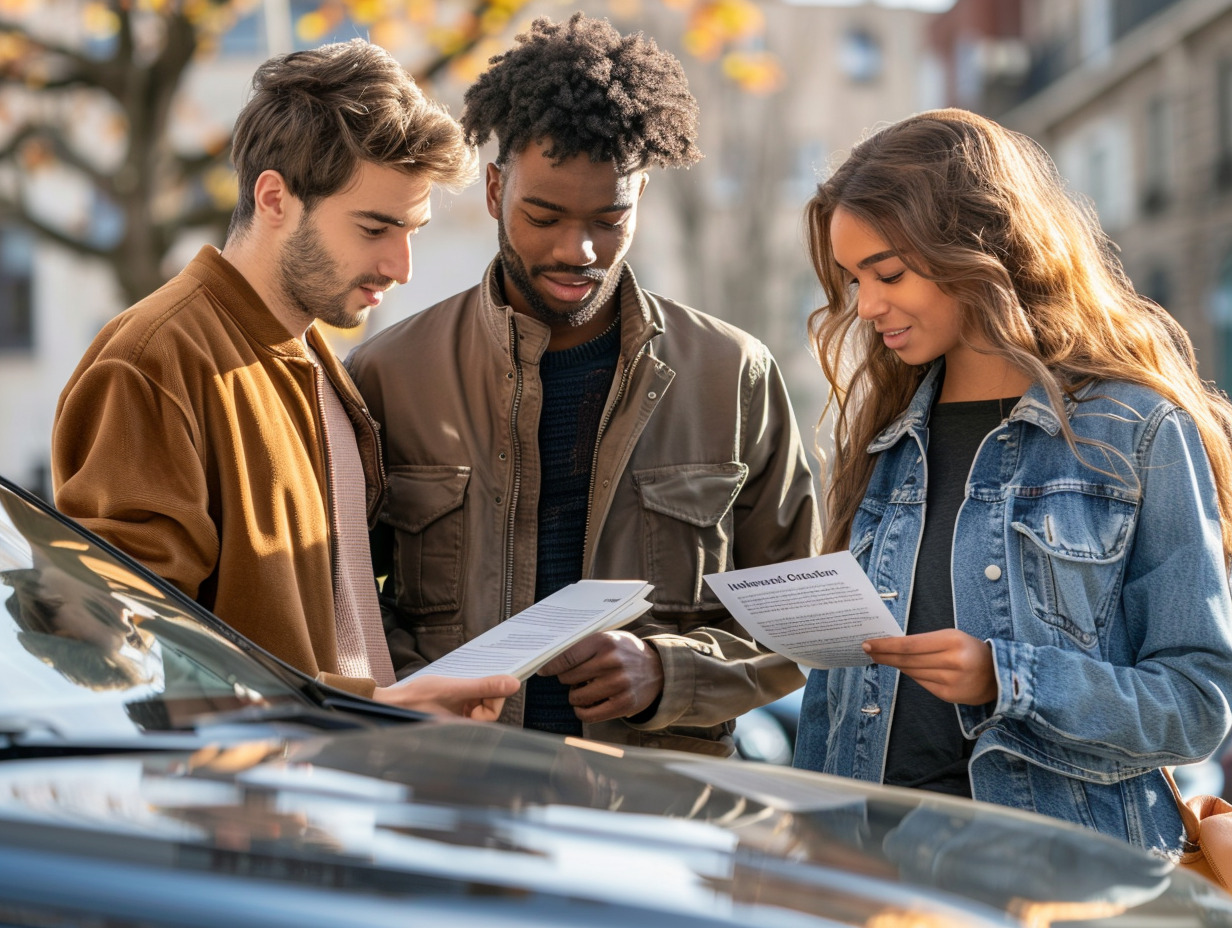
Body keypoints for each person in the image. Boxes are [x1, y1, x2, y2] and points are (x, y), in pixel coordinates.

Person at [346, 13, 820, 756]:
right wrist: (416, 694)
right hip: (451, 803)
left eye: (610, 218)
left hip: (661, 820)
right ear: (496, 188)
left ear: (643, 201)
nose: (579, 250)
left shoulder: (734, 376)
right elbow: (341, 606)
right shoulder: (386, 375)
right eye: (544, 215)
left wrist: (672, 673)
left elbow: (801, 626)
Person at [791, 107, 1232, 853]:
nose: (866, 307)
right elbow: (835, 701)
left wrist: (1011, 678)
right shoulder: (884, 439)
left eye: (889, 273)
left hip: (1060, 881)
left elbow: (1195, 705)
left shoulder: (1138, 430)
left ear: (977, 246)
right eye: (853, 279)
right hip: (870, 876)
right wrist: (800, 851)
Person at [51, 40, 517, 721]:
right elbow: (134, 652)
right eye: (375, 227)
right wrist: (369, 706)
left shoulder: (317, 360)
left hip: (330, 789)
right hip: (234, 810)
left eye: (412, 230)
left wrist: (394, 706)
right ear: (275, 197)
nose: (401, 265)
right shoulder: (155, 361)